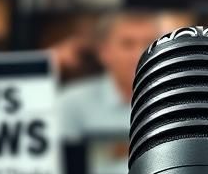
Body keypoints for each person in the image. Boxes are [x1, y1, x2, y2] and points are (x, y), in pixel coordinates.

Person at [57, 11, 188, 142]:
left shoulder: (183, 102)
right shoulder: (71, 104)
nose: (139, 55)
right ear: (104, 52)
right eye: (128, 44)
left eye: (148, 43)